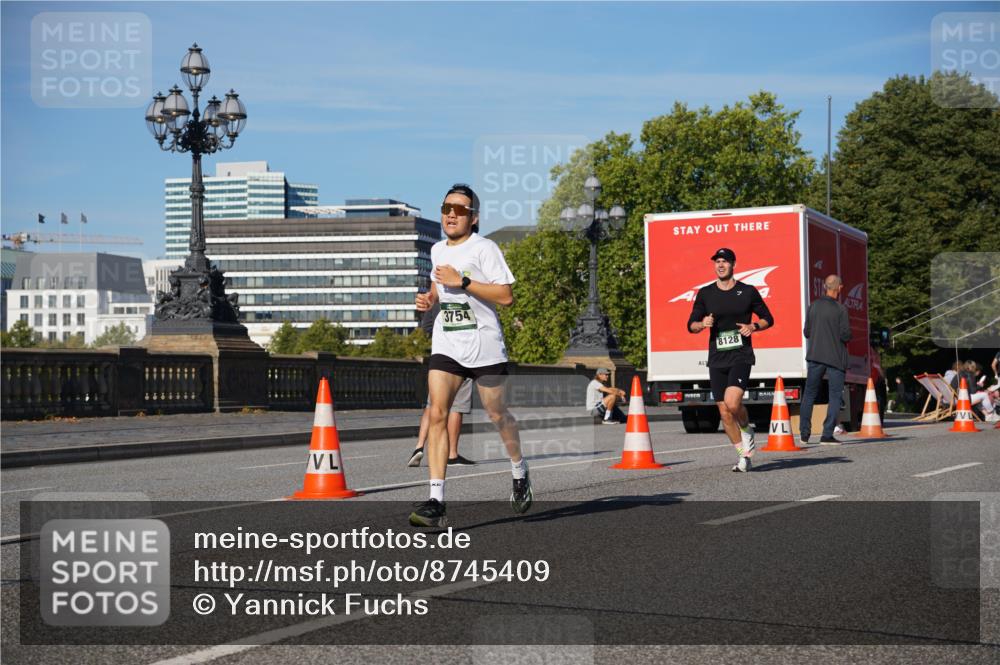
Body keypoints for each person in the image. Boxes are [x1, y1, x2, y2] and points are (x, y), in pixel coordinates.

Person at [409, 183, 531, 527]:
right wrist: (429, 299)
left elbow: (506, 297)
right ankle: (436, 499)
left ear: (473, 218)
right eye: (447, 207)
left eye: (460, 210)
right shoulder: (435, 250)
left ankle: (519, 471)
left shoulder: (485, 248)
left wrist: (462, 281)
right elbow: (437, 287)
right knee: (437, 413)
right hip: (448, 344)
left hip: (485, 345)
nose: (451, 213)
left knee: (497, 414)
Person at [687, 247, 774, 472]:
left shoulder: (747, 291)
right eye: (717, 262)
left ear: (733, 264)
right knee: (724, 411)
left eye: (725, 261)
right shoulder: (706, 293)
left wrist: (752, 326)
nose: (720, 265)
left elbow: (768, 318)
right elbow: (691, 325)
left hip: (741, 354)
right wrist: (701, 324)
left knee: (733, 402)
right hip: (717, 357)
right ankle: (743, 455)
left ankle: (747, 429)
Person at [407, 301, 475, 467]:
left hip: (440, 357)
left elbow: (427, 326)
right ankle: (452, 454)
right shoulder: (467, 297)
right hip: (462, 356)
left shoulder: (436, 300)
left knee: (433, 405)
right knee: (457, 407)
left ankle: (419, 446)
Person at [799, 275, 851, 444]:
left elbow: (806, 332)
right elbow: (845, 335)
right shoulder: (840, 309)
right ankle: (827, 434)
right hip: (835, 359)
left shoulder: (812, 306)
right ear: (839, 288)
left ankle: (804, 434)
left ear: (824, 287)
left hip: (815, 356)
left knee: (809, 394)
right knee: (835, 395)